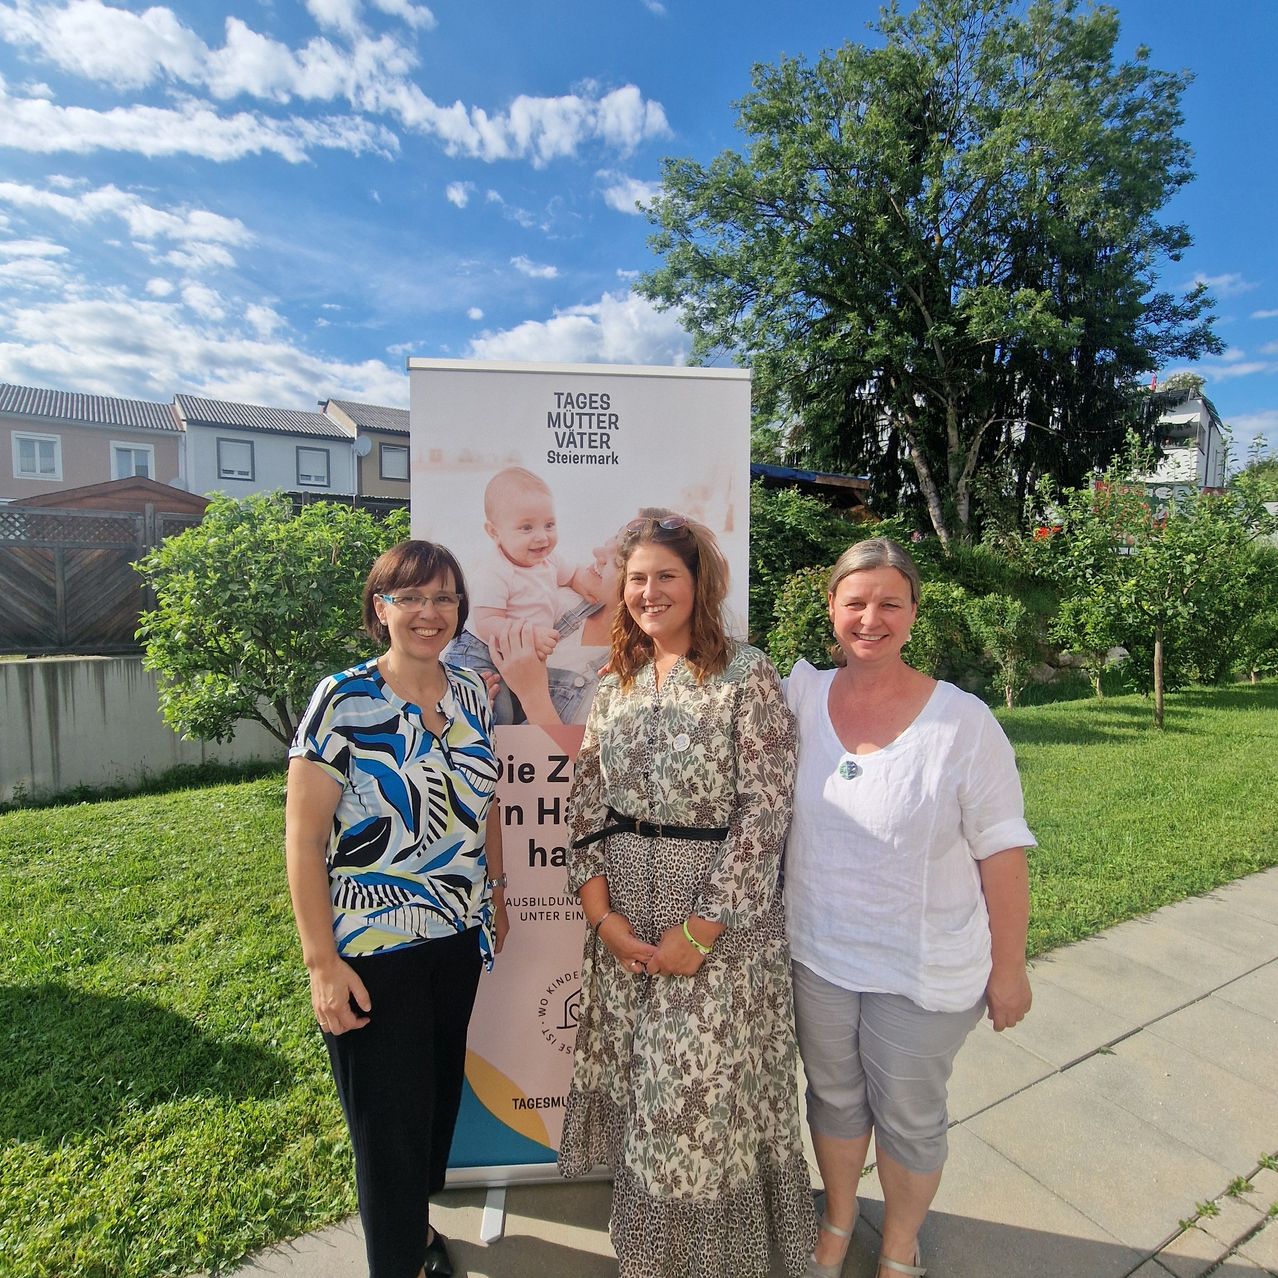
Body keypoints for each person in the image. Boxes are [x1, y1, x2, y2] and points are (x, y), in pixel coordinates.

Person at [558, 513, 817, 1278]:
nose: (648, 592)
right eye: (636, 578)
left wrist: (699, 932)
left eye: (666, 576)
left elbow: (765, 811)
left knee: (697, 1108)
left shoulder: (747, 673)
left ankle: (706, 1260)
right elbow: (586, 803)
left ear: (700, 582)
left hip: (718, 930)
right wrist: (602, 918)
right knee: (652, 1103)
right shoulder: (618, 683)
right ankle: (656, 1254)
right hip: (627, 926)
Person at [784, 538, 1034, 1278]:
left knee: (910, 1118)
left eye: (890, 602)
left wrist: (1010, 968)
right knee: (831, 1098)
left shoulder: (963, 723)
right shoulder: (797, 696)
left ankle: (897, 1244)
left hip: (922, 968)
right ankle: (837, 1220)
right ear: (830, 607)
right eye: (855, 601)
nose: (871, 617)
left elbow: (1003, 850)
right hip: (819, 952)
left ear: (914, 613)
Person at [285, 540, 510, 1278]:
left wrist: (496, 895)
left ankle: (414, 1237)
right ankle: (396, 1261)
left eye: (444, 598)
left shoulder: (473, 690)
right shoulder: (345, 698)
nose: (428, 613)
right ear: (379, 608)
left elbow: (488, 805)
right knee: (388, 1133)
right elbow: (305, 835)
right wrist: (322, 963)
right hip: (373, 951)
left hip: (456, 941)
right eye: (409, 597)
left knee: (435, 1108)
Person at [446, 466, 607, 724]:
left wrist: (583, 584)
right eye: (526, 528)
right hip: (481, 652)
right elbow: (488, 623)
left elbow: (572, 574)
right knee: (500, 713)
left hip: (518, 654)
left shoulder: (549, 560)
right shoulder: (495, 571)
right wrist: (531, 636)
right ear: (494, 532)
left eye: (549, 525)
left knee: (521, 715)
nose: (542, 537)